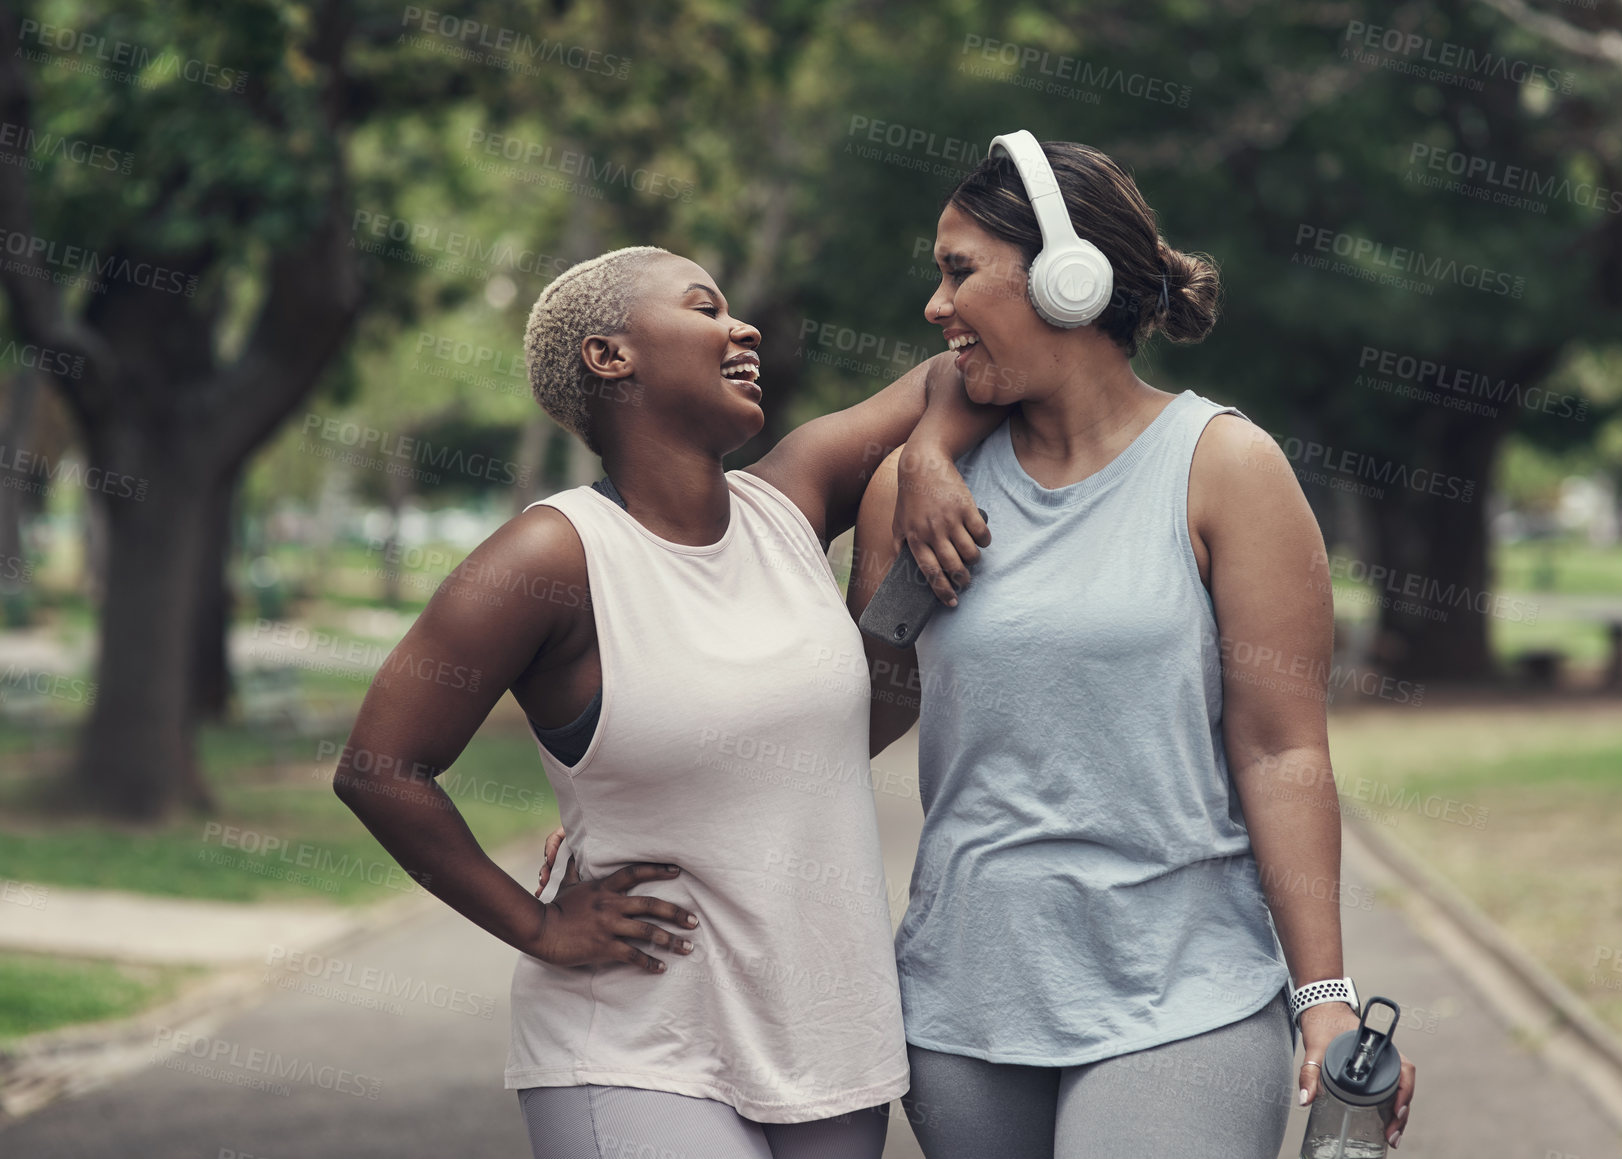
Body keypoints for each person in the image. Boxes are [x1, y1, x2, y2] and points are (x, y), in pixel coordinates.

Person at [332, 243, 1000, 1159]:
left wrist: (925, 455)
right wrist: (537, 927)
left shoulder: (789, 503)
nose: (743, 326)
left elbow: (951, 373)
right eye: (703, 307)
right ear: (611, 356)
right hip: (636, 1040)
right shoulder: (553, 556)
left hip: (829, 1036)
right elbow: (380, 767)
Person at [843, 138, 1419, 1158]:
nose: (934, 306)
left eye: (958, 270)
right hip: (962, 1004)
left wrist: (1323, 997)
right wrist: (629, 802)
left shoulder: (1222, 466)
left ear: (1069, 277)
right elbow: (857, 722)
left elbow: (1280, 748)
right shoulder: (913, 487)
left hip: (1184, 991)